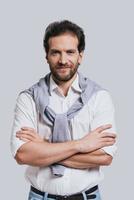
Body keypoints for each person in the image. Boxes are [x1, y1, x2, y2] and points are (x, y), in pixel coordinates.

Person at [10, 20, 117, 200]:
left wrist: (44, 148)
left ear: (80, 56)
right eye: (55, 53)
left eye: (70, 52)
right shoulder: (28, 98)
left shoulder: (100, 97)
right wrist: (80, 145)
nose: (63, 60)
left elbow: (104, 157)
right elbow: (22, 154)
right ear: (46, 56)